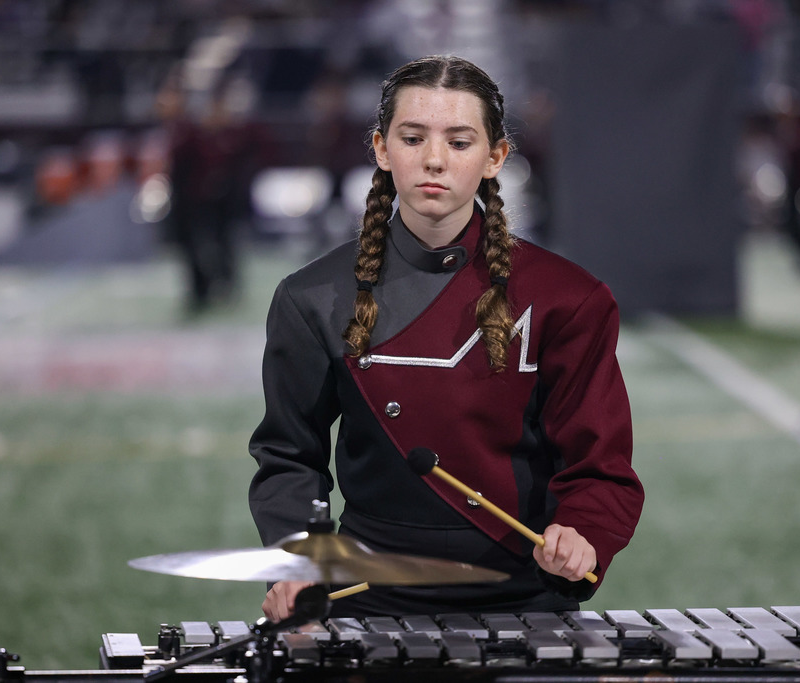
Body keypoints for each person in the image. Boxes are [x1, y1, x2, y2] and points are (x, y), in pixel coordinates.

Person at [248, 55, 644, 619]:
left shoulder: (569, 298)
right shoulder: (310, 297)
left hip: (525, 599)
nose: (434, 159)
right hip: (369, 601)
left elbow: (600, 465)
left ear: (495, 157)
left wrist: (583, 531)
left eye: (459, 142)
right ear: (382, 149)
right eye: (413, 139)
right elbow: (289, 457)